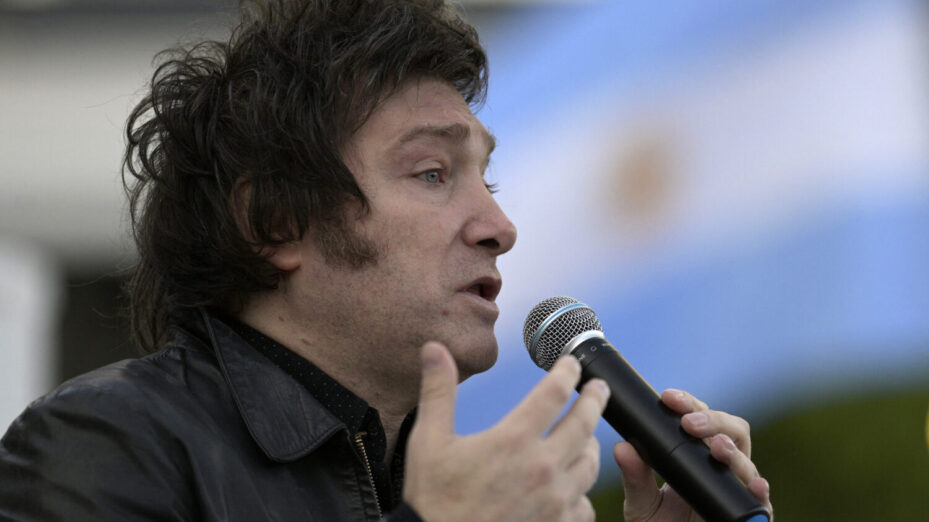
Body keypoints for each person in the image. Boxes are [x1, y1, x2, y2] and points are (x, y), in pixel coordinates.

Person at [0, 1, 772, 520]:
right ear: (275, 219)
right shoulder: (105, 446)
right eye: (432, 173)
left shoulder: (448, 483)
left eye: (487, 179)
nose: (498, 226)